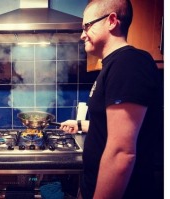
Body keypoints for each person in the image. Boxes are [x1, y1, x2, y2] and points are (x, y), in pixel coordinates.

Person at [60, 0, 163, 198]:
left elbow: (122, 153)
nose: (82, 35)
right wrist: (80, 124)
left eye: (87, 26)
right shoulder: (114, 65)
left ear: (112, 21)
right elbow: (112, 126)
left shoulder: (129, 63)